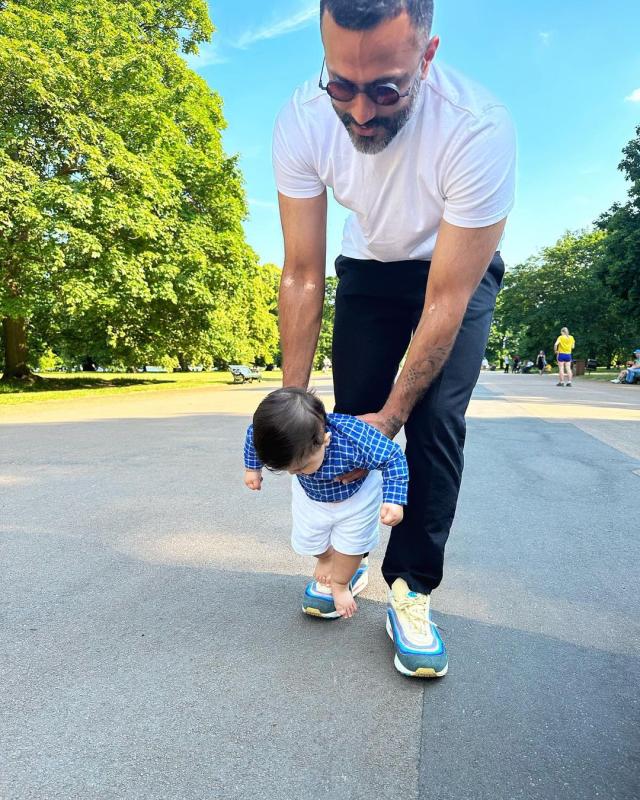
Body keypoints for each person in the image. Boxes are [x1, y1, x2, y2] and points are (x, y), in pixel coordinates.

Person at [273, 0, 515, 677]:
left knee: (432, 420)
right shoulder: (299, 116)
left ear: (427, 57)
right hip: (370, 269)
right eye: (341, 86)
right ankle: (341, 565)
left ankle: (410, 588)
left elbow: (446, 296)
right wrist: (292, 403)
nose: (359, 114)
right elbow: (300, 271)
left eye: (385, 90)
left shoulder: (479, 127)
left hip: (453, 271)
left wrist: (397, 413)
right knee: (348, 425)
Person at [243, 388, 408, 618]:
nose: (293, 472)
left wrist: (394, 499)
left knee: (352, 543)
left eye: (300, 467)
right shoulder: (279, 436)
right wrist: (253, 468)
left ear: (324, 440)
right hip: (311, 494)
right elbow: (253, 434)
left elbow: (393, 457)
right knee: (309, 538)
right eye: (287, 468)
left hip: (356, 495)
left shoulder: (354, 438)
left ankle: (340, 585)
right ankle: (327, 557)